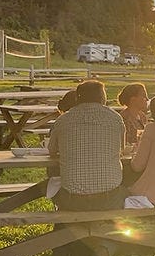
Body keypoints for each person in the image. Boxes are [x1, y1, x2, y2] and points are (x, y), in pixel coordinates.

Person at [48, 80, 126, 210]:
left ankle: (63, 226)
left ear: (78, 98)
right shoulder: (116, 118)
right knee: (127, 188)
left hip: (73, 200)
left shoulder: (63, 120)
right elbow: (121, 149)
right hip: (109, 199)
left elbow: (52, 151)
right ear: (102, 98)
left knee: (52, 180)